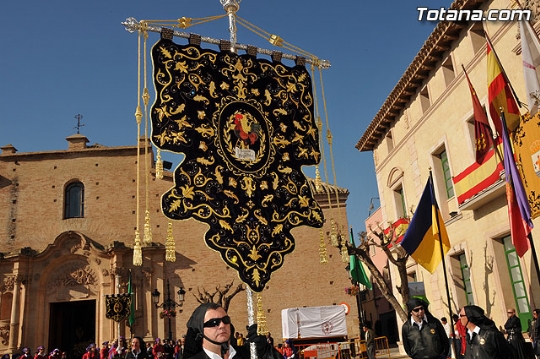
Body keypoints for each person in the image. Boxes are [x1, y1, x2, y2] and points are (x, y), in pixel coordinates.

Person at [182, 302, 278, 359]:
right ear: (200, 330)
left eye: (225, 320)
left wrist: (266, 352)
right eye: (214, 322)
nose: (222, 325)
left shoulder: (248, 354)